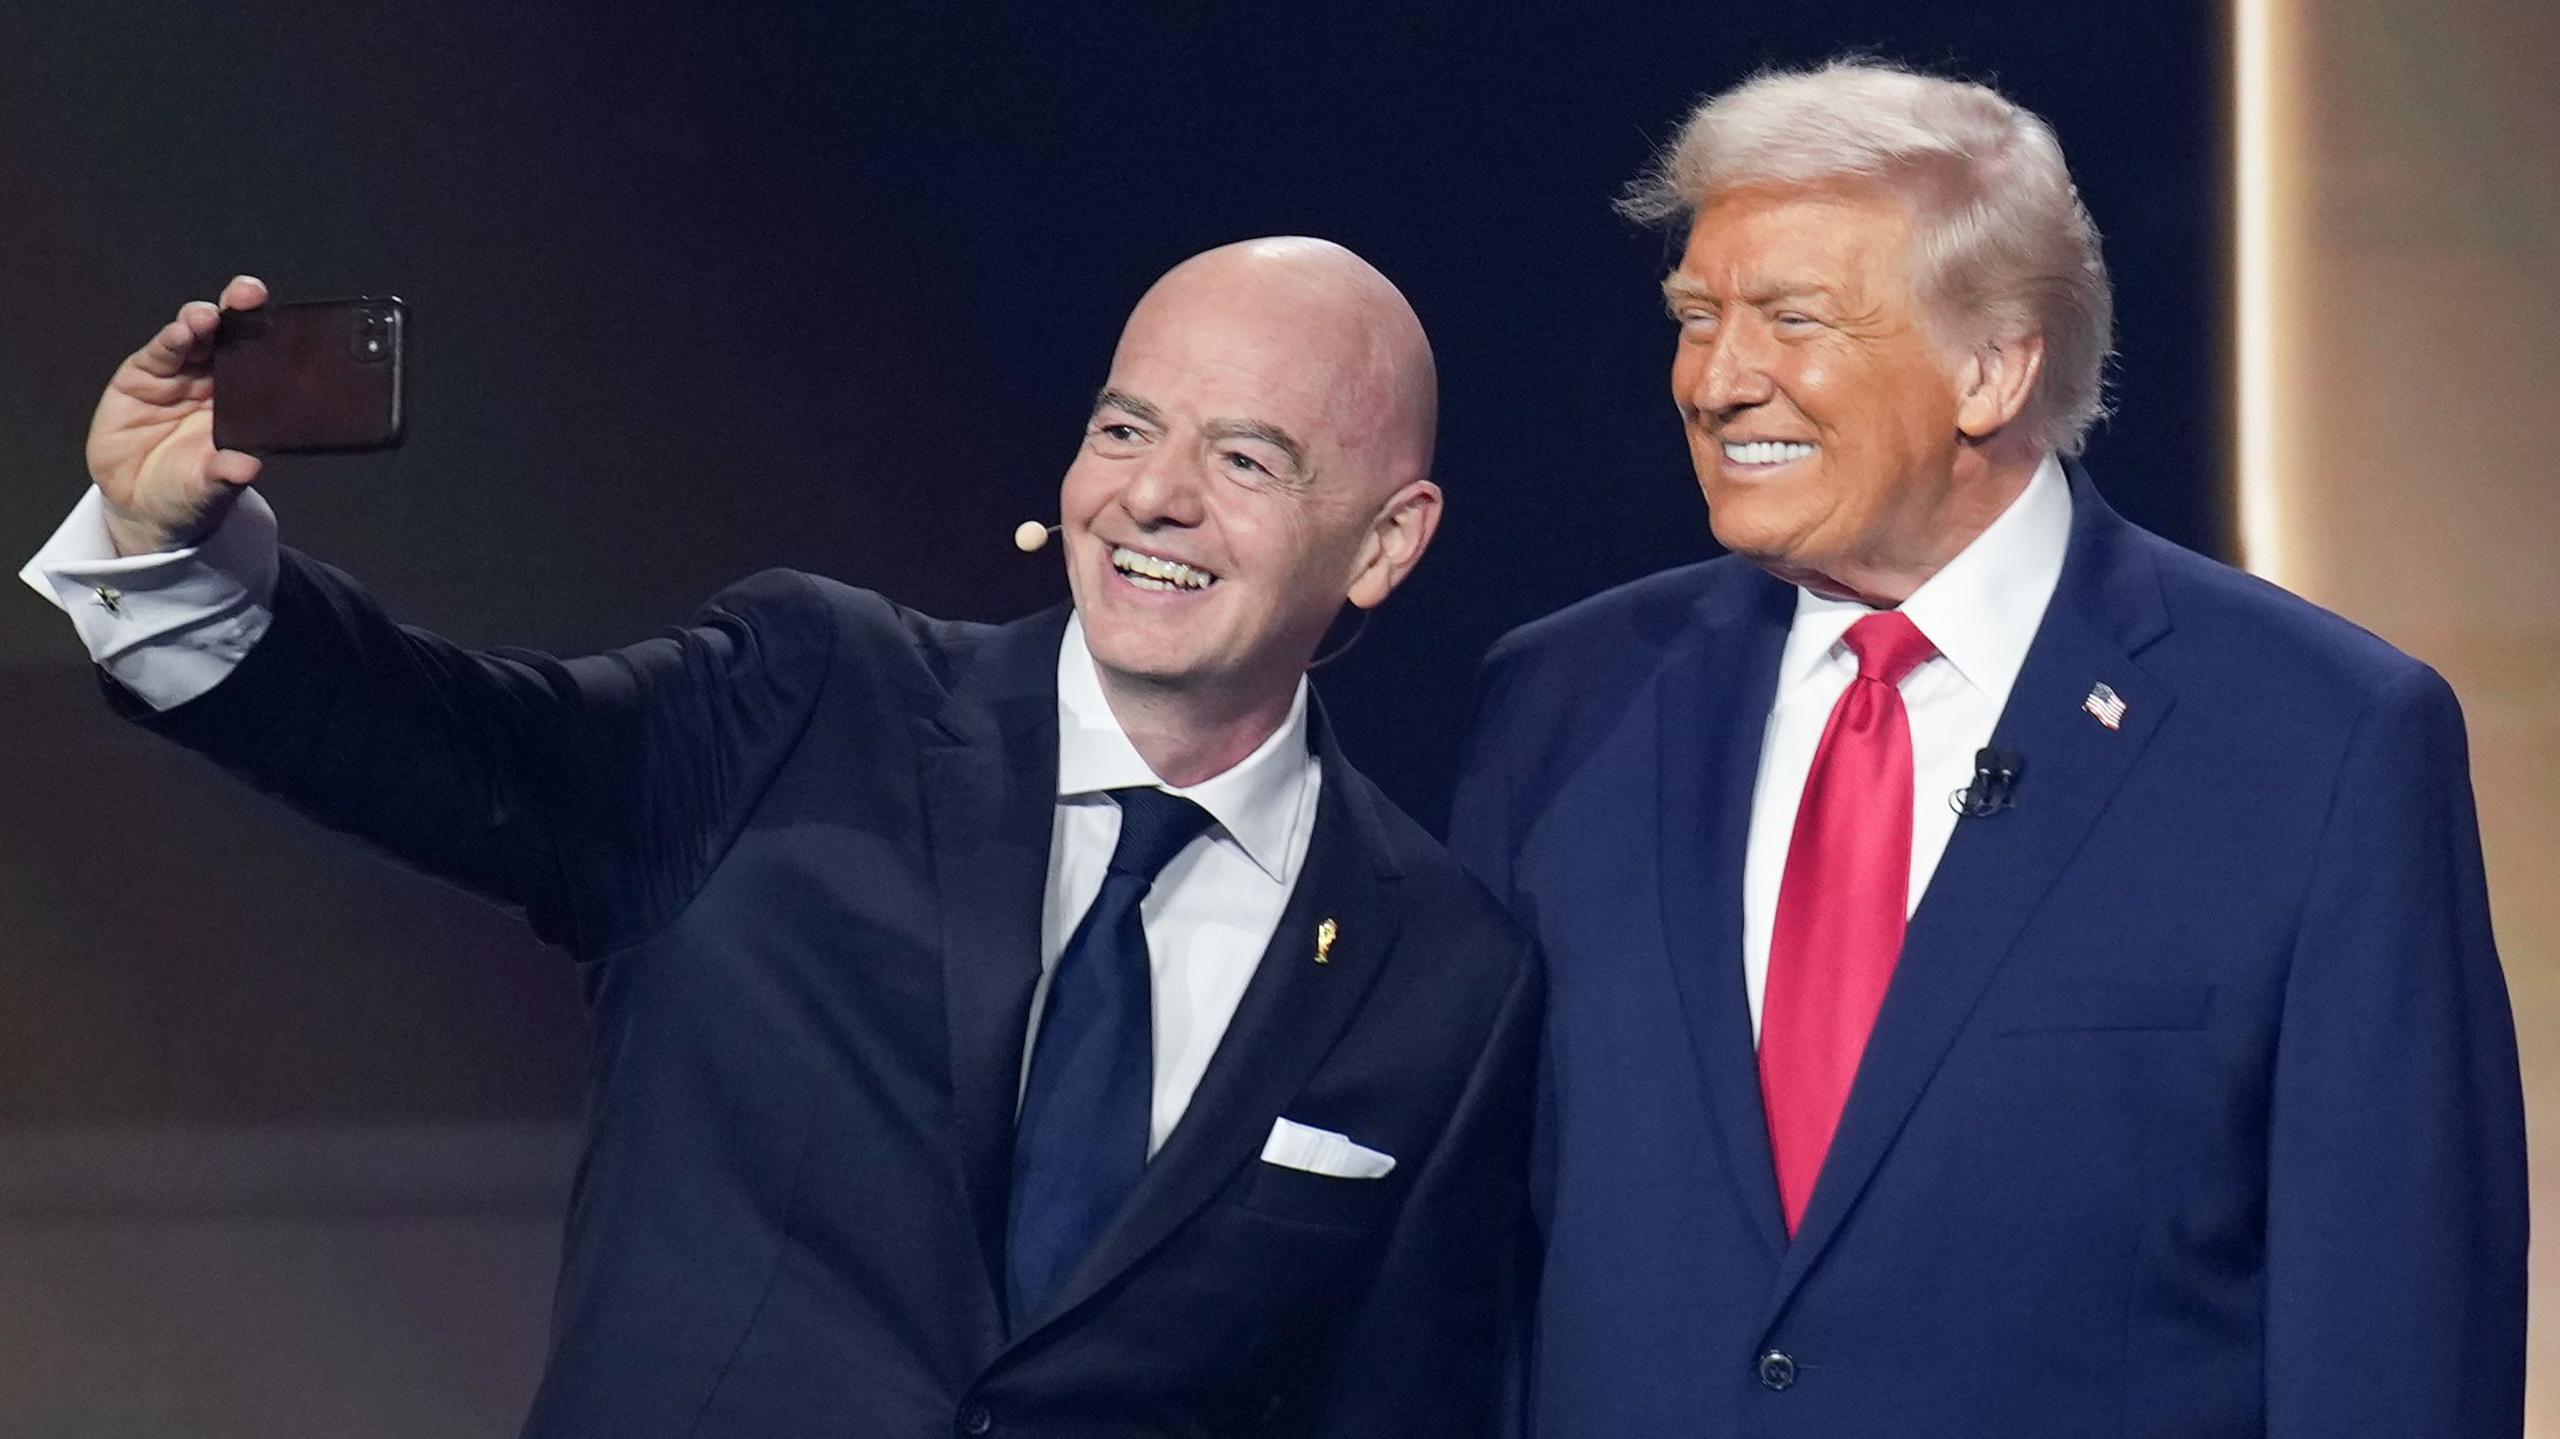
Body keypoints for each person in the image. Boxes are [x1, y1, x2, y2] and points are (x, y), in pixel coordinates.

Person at [24, 239, 1538, 1437]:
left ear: (1386, 542)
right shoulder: (813, 698)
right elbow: (451, 747)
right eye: (1124, 428)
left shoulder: (1441, 978)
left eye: (1247, 461)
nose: (1153, 496)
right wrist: (169, 553)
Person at [1451, 61, 2525, 1438]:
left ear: (1993, 368)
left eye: (1792, 319)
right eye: (1698, 318)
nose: (1717, 382)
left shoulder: (2319, 741)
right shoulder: (1564, 705)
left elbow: (2396, 1333)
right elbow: (1461, 1278)